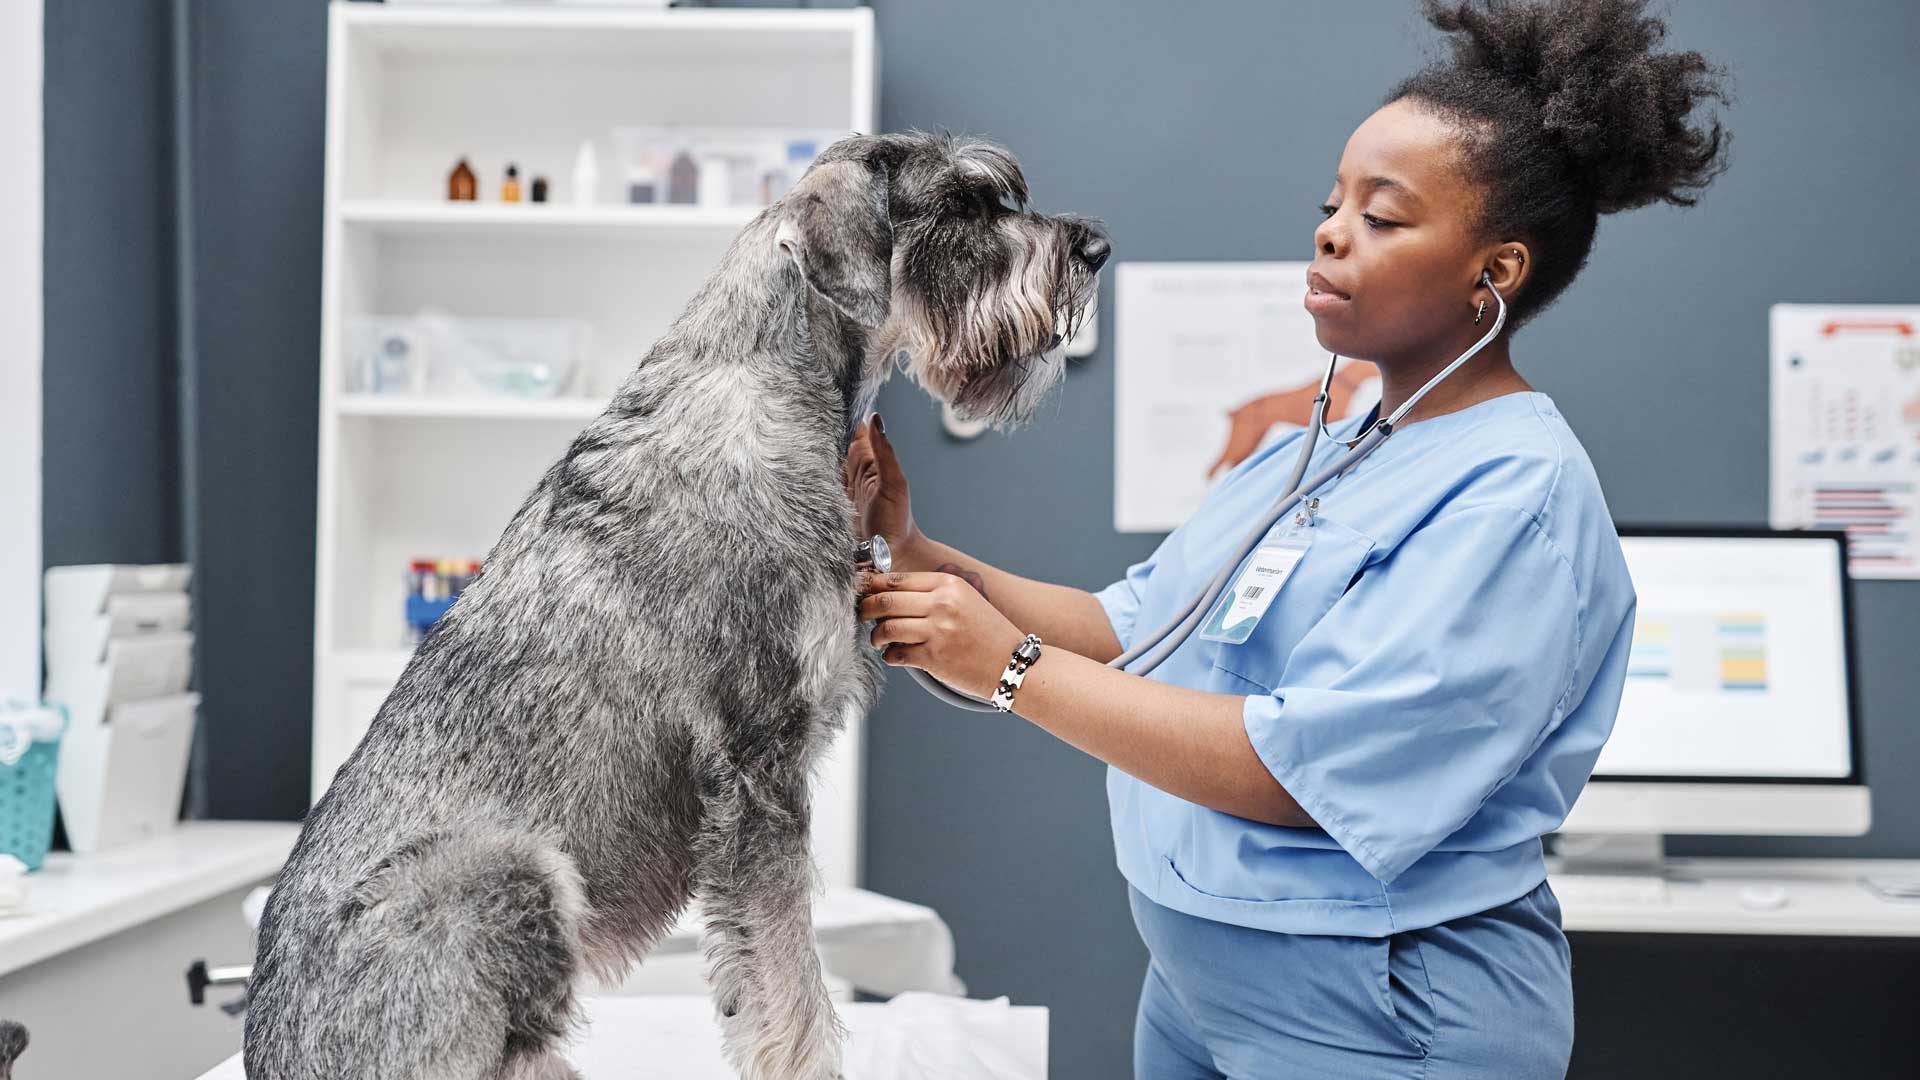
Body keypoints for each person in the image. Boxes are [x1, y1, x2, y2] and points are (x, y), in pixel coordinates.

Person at [847, 1, 1730, 1075]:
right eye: (1331, 204)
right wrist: (922, 548)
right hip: (1192, 982)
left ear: (1494, 271)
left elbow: (1300, 773)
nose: (1329, 232)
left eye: (1385, 218)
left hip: (1379, 1010)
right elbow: (1131, 629)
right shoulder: (1324, 446)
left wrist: (1009, 670)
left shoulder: (1517, 500)